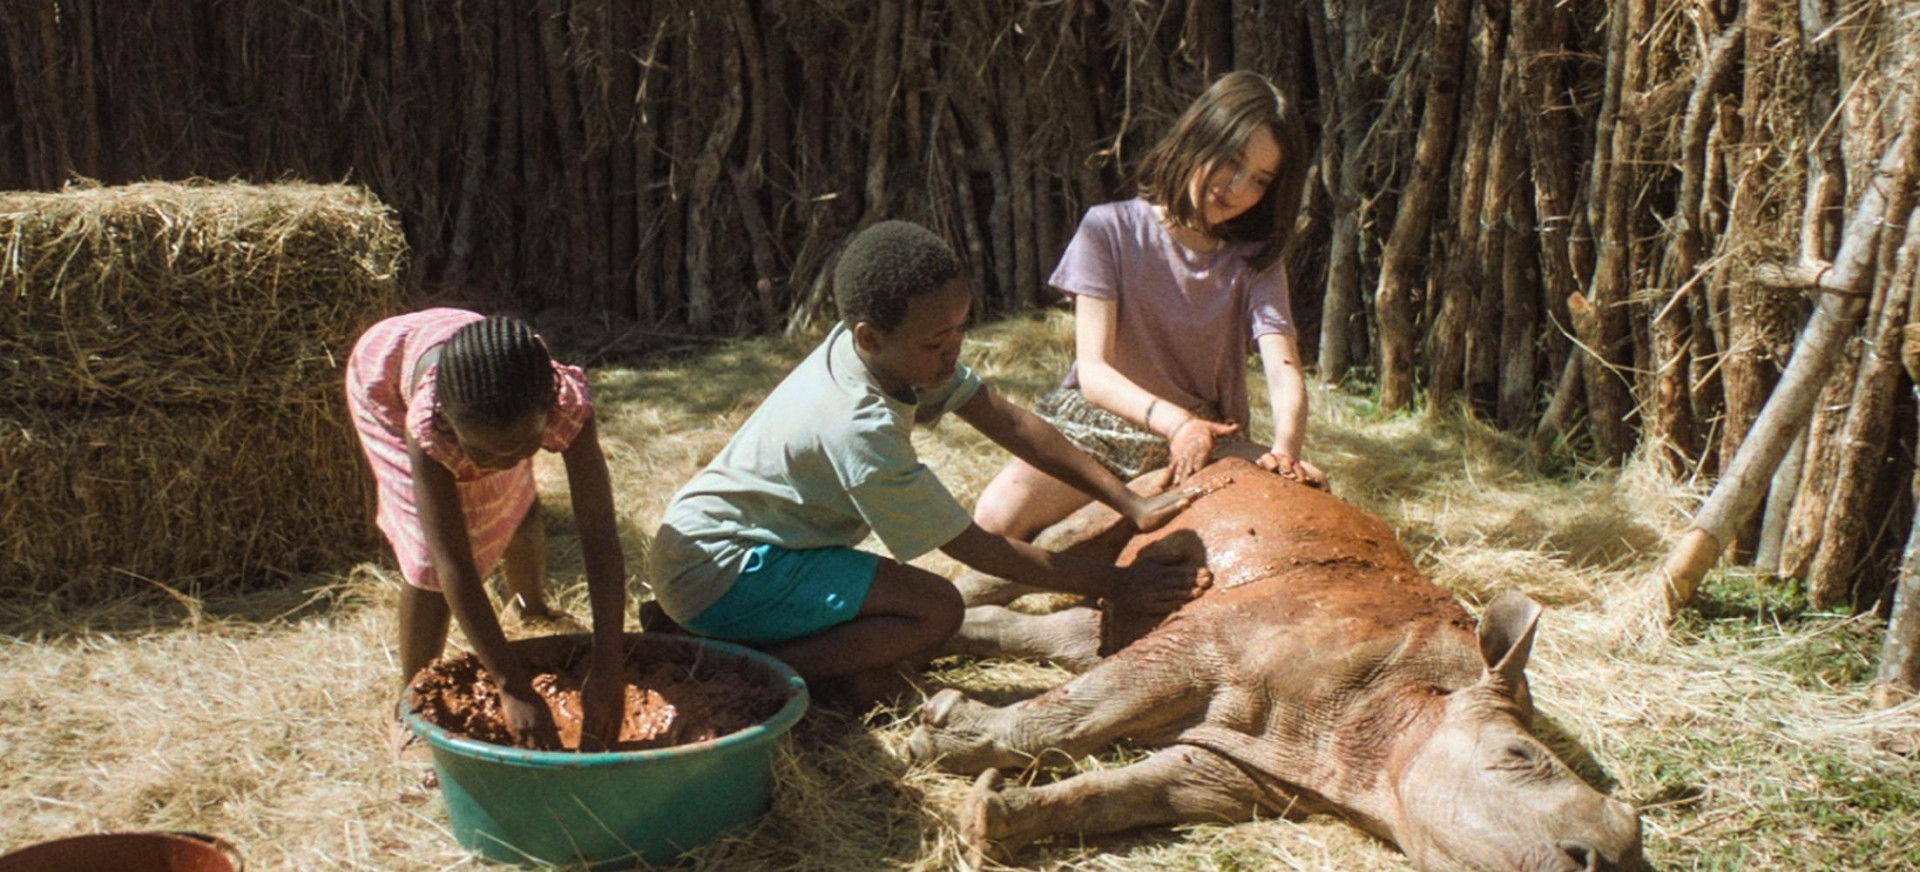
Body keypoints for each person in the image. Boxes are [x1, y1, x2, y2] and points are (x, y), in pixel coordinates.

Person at [648, 221, 1204, 708]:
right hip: (724, 569)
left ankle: (754, 646)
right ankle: (736, 668)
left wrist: (1129, 501)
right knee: (935, 610)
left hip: (739, 546)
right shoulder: (859, 428)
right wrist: (1116, 583)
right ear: (871, 337)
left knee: (894, 634)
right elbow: (976, 548)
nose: (954, 350)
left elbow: (1009, 422)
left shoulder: (888, 356)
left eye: (961, 329)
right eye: (938, 341)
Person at [968, 71, 1327, 605]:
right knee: (994, 520)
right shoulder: (1108, 230)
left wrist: (1285, 450)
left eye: (1259, 179)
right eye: (1230, 161)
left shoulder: (1255, 262)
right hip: (1100, 428)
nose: (1236, 187)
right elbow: (1094, 372)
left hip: (1207, 437)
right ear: (1195, 135)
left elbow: (1283, 365)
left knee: (1314, 491)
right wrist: (1174, 423)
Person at [346, 309, 627, 751]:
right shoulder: (428, 427)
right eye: (486, 452)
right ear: (449, 424)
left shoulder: (561, 403)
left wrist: (610, 666)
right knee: (426, 561)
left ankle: (532, 606)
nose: (505, 461)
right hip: (385, 379)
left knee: (510, 498)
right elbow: (452, 564)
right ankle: (411, 704)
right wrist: (511, 686)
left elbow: (599, 537)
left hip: (482, 365)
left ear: (548, 409)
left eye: (527, 445)